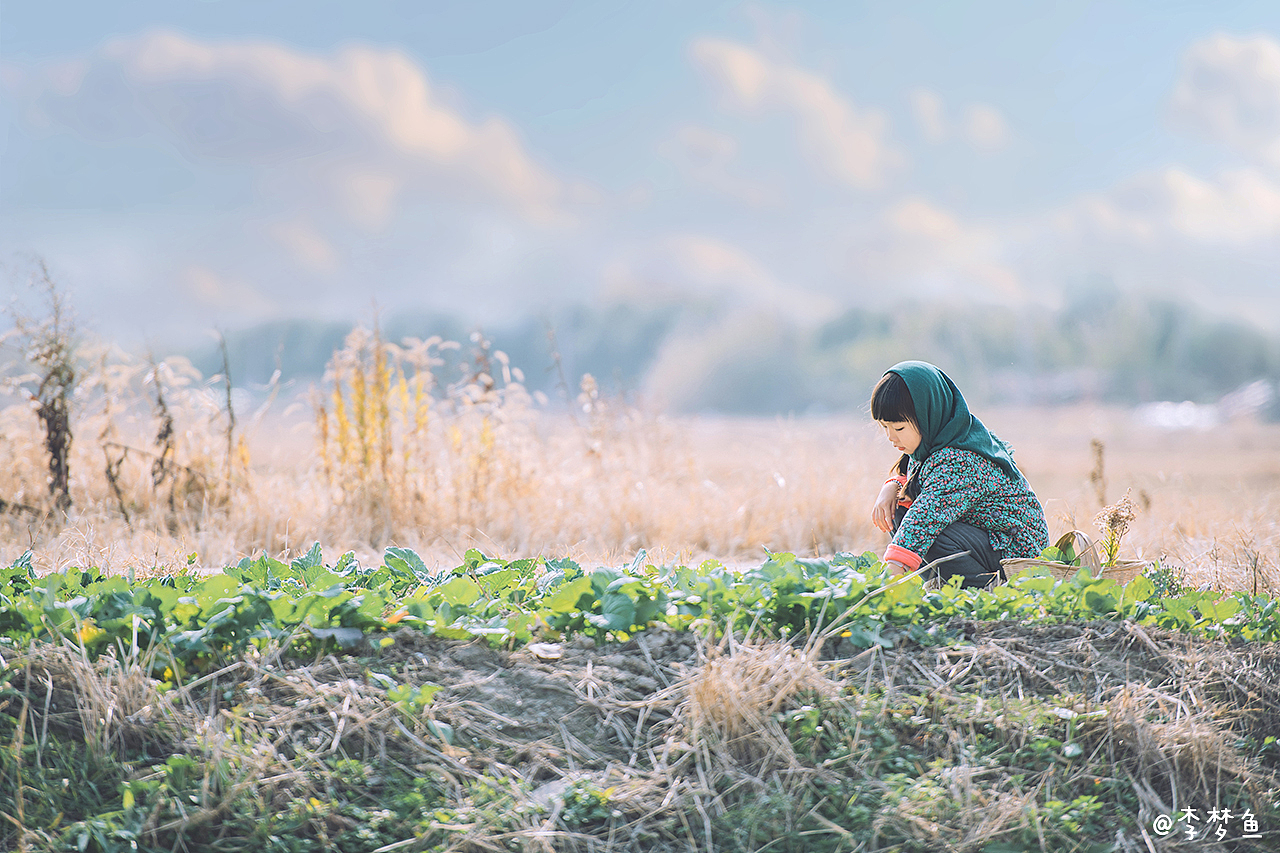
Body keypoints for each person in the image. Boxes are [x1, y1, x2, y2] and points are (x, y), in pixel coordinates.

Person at [869, 360, 1048, 588]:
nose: (891, 437)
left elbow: (924, 519)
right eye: (885, 427)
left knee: (925, 532)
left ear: (928, 415)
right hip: (986, 540)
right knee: (902, 512)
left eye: (899, 428)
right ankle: (946, 584)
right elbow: (917, 479)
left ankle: (985, 589)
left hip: (1015, 550)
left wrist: (888, 578)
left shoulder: (960, 459)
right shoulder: (936, 443)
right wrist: (892, 486)